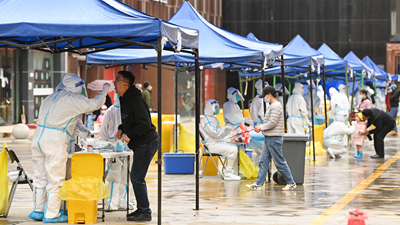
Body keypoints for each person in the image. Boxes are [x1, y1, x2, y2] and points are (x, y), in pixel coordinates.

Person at [29, 73, 110, 223]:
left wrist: (79, 127)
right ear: (77, 87)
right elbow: (93, 104)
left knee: (40, 177)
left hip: (38, 137)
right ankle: (52, 214)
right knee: (55, 179)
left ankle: (38, 210)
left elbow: (66, 117)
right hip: (54, 140)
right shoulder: (72, 99)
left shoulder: (51, 97)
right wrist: (104, 92)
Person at [114, 71, 158, 222]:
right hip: (141, 142)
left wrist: (130, 134)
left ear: (125, 84)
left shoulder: (136, 100)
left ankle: (145, 211)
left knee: (137, 177)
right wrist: (121, 128)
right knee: (136, 177)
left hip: (147, 142)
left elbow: (144, 124)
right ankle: (141, 209)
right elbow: (130, 120)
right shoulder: (124, 98)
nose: (114, 83)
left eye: (117, 80)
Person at [246, 86, 296, 191]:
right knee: (263, 161)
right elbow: (270, 121)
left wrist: (261, 127)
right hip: (269, 137)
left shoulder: (276, 106)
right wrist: (261, 127)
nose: (264, 98)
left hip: (274, 138)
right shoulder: (272, 105)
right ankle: (258, 184)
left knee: (279, 162)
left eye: (265, 96)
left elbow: (272, 122)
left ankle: (291, 182)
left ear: (269, 95)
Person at [100, 93, 134, 210]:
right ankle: (115, 201)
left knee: (119, 172)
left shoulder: (111, 110)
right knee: (120, 172)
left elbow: (104, 129)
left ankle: (117, 201)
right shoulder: (118, 110)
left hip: (117, 143)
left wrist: (105, 141)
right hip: (121, 144)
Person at [200, 99, 241, 181]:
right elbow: (214, 133)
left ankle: (231, 170)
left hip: (216, 142)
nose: (217, 109)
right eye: (215, 107)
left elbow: (220, 133)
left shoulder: (213, 118)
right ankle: (228, 174)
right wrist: (224, 128)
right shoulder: (205, 119)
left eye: (218, 107)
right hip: (210, 145)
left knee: (235, 146)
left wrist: (229, 135)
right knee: (233, 150)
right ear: (210, 108)